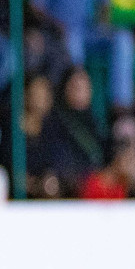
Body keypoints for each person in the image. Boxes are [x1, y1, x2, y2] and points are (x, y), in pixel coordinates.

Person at [48, 66, 107, 195]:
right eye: (75, 86)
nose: (80, 91)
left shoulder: (96, 122)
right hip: (68, 189)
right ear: (65, 88)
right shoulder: (56, 121)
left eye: (84, 87)